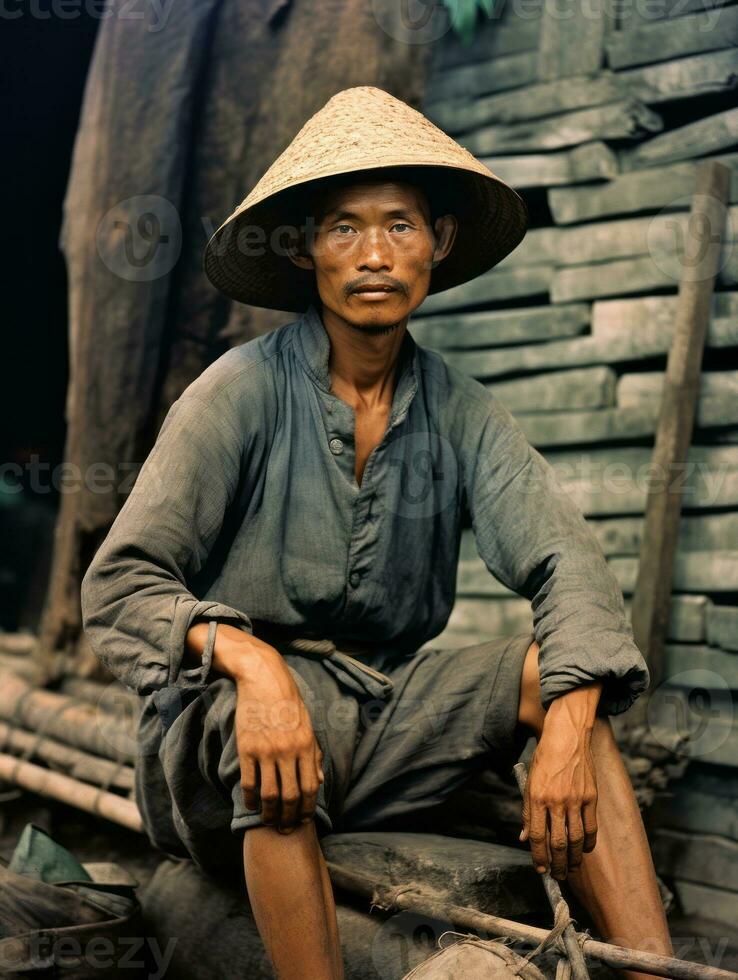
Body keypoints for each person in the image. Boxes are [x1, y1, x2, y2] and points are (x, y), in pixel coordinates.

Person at [80, 86, 673, 980]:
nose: (373, 255)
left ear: (436, 243)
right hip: (232, 744)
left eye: (398, 226)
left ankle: (653, 970)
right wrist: (254, 663)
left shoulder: (463, 412)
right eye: (344, 228)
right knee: (255, 713)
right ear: (308, 251)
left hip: (387, 713)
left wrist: (567, 720)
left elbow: (567, 562)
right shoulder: (241, 389)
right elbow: (122, 581)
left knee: (553, 680)